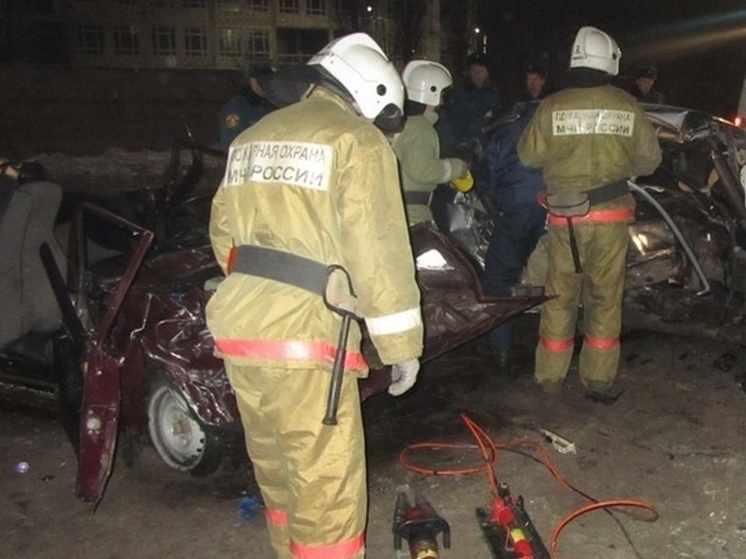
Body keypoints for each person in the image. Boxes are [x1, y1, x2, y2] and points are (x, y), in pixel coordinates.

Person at [206, 33, 424, 559]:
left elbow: (222, 237)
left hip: (239, 332)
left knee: (279, 474)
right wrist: (401, 348)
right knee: (325, 483)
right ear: (372, 92)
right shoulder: (356, 141)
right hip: (305, 341)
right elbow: (379, 252)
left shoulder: (252, 136)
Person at [517, 26, 662, 396]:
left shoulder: (552, 105)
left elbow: (527, 155)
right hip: (611, 219)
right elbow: (651, 160)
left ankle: (549, 377)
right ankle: (597, 380)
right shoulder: (628, 105)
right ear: (609, 62)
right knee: (604, 299)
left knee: (560, 296)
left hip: (565, 218)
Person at [478, 100, 548, 370]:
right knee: (562, 277)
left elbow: (488, 171)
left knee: (498, 277)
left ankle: (500, 350)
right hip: (557, 212)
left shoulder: (509, 131)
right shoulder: (557, 131)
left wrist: (491, 196)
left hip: (518, 210)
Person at [392, 60, 471, 225]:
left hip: (399, 210)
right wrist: (458, 167)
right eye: (441, 95)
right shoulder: (420, 128)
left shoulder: (405, 123)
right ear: (431, 92)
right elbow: (422, 170)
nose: (442, 102)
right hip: (412, 214)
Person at [437, 52, 501, 158]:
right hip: (459, 149)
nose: (476, 75)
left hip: (484, 150)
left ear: (487, 72)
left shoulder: (494, 95)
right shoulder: (459, 95)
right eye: (473, 71)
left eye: (480, 71)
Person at [218, 59, 277, 151]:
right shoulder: (235, 108)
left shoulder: (270, 104)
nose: (269, 84)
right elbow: (230, 146)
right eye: (265, 80)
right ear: (252, 81)